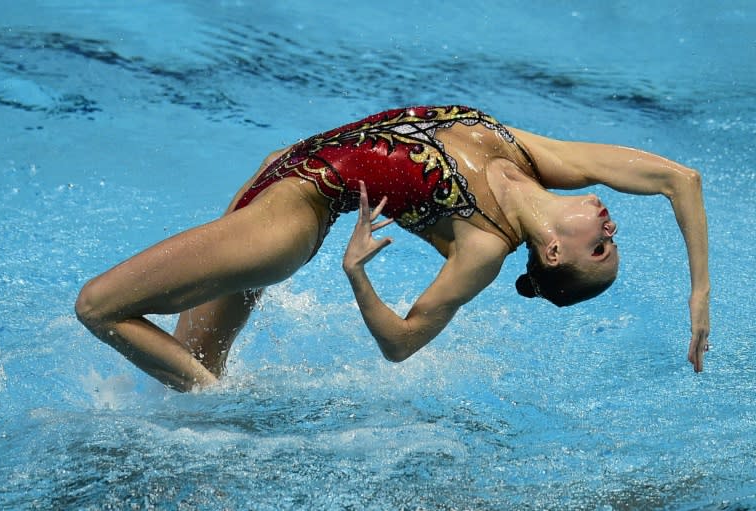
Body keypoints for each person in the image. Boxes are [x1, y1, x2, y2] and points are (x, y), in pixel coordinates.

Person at [75, 105, 710, 392]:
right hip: (278, 168)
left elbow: (402, 344)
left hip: (291, 215)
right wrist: (700, 290)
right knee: (188, 358)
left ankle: (226, 409)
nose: (611, 230)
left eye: (601, 252)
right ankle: (202, 410)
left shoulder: (486, 246)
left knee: (100, 306)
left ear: (551, 253)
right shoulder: (540, 160)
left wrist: (357, 275)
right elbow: (680, 179)